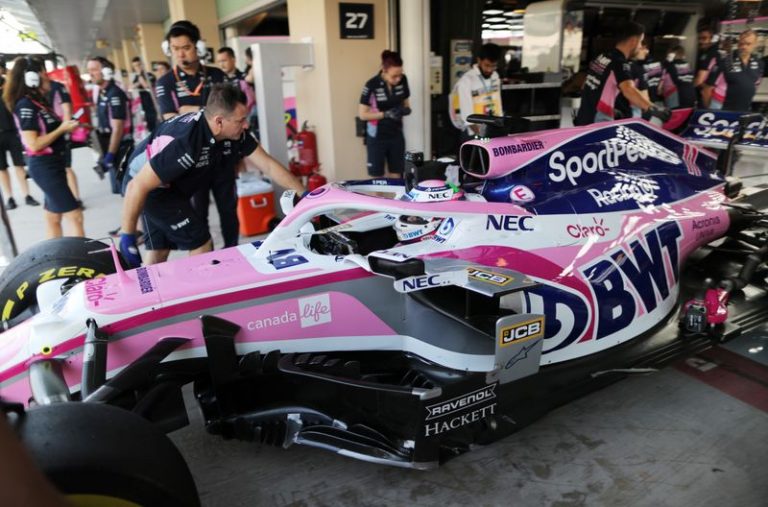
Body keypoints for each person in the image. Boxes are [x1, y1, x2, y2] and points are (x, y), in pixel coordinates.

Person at [119, 84, 303, 266]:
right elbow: (136, 185)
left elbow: (268, 166)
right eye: (240, 121)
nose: (246, 125)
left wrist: (305, 195)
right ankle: (197, 292)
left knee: (160, 249)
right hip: (147, 188)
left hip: (165, 185)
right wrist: (127, 237)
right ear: (219, 121)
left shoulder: (235, 133)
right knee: (201, 242)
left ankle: (151, 294)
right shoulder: (186, 142)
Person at [3, 57, 82, 238]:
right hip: (45, 167)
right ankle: (80, 260)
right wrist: (62, 128)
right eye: (44, 74)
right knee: (75, 216)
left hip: (53, 164)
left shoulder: (38, 103)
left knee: (53, 217)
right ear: (33, 78)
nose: (48, 78)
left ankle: (53, 259)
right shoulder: (26, 106)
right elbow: (33, 143)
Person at [574, 22, 670, 126]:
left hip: (584, 116)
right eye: (640, 42)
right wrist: (652, 108)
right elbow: (628, 89)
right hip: (597, 121)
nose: (640, 47)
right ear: (633, 41)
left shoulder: (602, 57)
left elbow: (587, 86)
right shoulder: (619, 63)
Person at [155, 20, 226, 121]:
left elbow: (230, 111)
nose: (180, 55)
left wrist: (197, 109)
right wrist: (211, 112)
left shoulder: (217, 74)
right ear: (168, 49)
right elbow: (172, 122)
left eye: (186, 48)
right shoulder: (164, 82)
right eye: (175, 49)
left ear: (199, 47)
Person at [358, 50, 411, 178]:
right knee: (377, 178)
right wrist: (386, 114)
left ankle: (395, 199)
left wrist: (404, 110)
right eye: (394, 76)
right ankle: (379, 199)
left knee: (397, 174)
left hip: (396, 134)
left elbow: (407, 105)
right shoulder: (372, 85)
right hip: (376, 136)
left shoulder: (403, 80)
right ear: (384, 70)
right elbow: (363, 115)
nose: (398, 79)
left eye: (400, 74)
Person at [86, 56, 132, 195]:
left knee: (129, 193)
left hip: (121, 149)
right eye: (89, 70)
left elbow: (118, 128)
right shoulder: (102, 92)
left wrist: (110, 156)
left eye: (94, 69)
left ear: (106, 72)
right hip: (112, 148)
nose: (90, 73)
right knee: (122, 192)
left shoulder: (115, 94)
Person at [0, 57, 38, 210]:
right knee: (2, 169)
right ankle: (9, 197)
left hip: (13, 132)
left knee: (19, 165)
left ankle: (26, 195)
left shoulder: (10, 86)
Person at [40, 70, 81, 208]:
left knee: (67, 167)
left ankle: (76, 198)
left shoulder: (57, 87)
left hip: (61, 132)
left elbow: (67, 110)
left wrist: (66, 130)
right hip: (51, 136)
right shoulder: (34, 92)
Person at [449, 43, 503, 142]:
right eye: (486, 65)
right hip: (474, 133)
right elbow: (467, 117)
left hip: (493, 131)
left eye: (493, 66)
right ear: (479, 60)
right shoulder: (467, 80)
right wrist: (482, 136)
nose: (489, 69)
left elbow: (498, 104)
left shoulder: (495, 76)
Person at [703, 30, 764, 111]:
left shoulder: (759, 63)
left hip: (744, 108)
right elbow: (706, 89)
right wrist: (711, 111)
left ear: (755, 44)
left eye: (748, 44)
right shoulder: (724, 61)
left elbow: (755, 85)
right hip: (720, 106)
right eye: (741, 43)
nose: (744, 47)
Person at [614, 41, 649, 119]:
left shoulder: (618, 64)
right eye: (642, 48)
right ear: (635, 49)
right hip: (632, 112)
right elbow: (644, 96)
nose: (646, 51)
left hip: (614, 111)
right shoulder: (639, 69)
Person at [130, 56, 158, 136]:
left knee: (154, 124)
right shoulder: (136, 77)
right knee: (146, 127)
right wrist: (138, 81)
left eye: (139, 65)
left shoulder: (149, 75)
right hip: (142, 105)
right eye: (135, 66)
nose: (137, 68)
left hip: (152, 104)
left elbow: (146, 86)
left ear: (142, 65)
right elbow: (131, 87)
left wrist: (139, 77)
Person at [694, 24, 720, 92]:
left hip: (706, 92)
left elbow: (699, 80)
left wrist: (687, 89)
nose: (700, 41)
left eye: (704, 38)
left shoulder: (708, 54)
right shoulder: (716, 50)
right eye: (699, 38)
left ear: (712, 39)